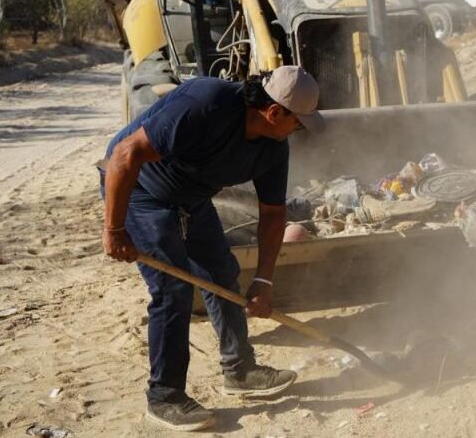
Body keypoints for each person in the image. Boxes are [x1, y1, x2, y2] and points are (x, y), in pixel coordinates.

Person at [101, 66, 325, 431]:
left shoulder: (272, 148)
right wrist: (114, 228)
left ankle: (239, 371)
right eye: (298, 123)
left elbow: (272, 215)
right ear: (273, 112)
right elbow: (125, 155)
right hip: (142, 191)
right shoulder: (207, 104)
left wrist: (265, 282)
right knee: (173, 288)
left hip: (192, 197)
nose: (299, 131)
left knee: (221, 271)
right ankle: (164, 397)